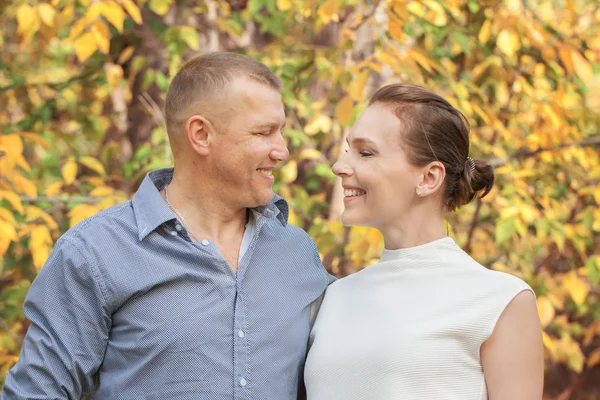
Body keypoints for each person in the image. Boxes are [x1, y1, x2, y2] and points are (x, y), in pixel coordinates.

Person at [2, 52, 333, 399]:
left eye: (280, 132)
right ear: (201, 134)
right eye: (264, 132)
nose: (282, 151)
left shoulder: (297, 251)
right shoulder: (95, 253)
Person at [304, 83, 544, 399]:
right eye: (349, 150)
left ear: (428, 178)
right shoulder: (333, 297)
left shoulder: (501, 301)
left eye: (366, 152)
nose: (340, 166)